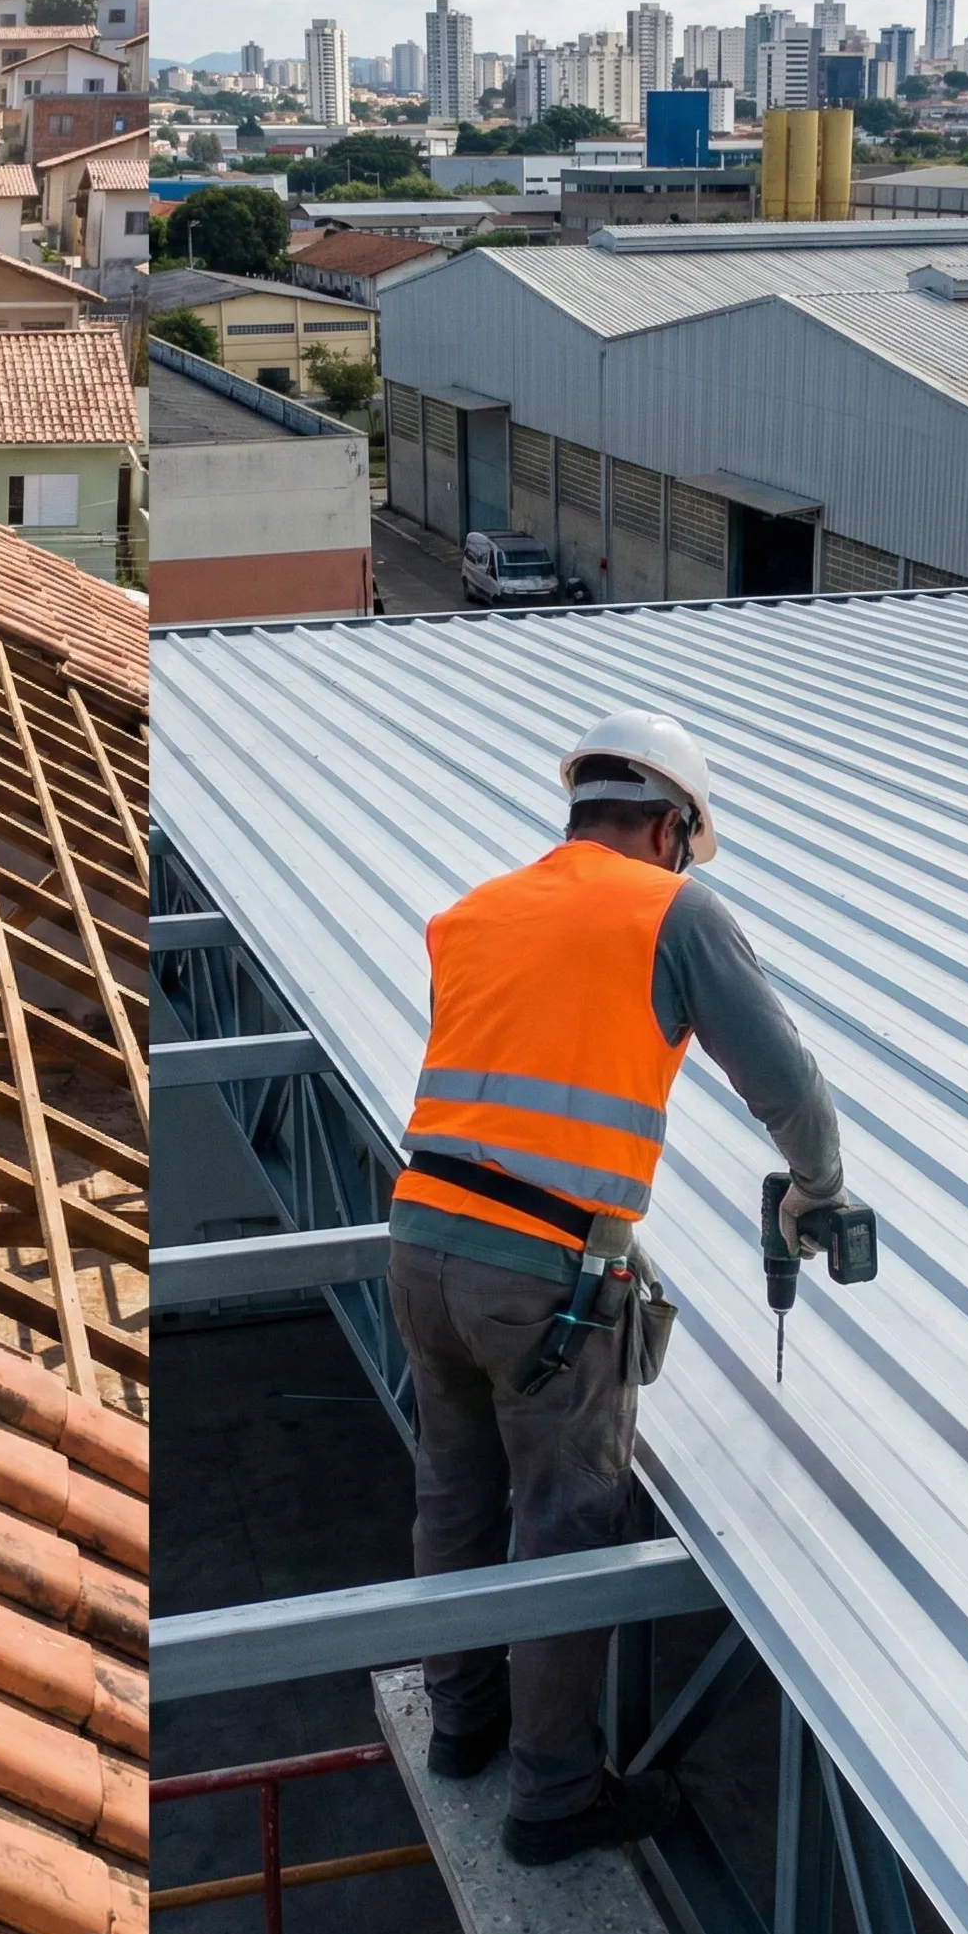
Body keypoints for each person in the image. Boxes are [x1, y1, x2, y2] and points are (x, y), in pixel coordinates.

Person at [388, 711, 849, 1865]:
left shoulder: (473, 910)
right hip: (538, 1276)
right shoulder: (672, 908)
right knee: (562, 1519)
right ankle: (551, 1794)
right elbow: (784, 1080)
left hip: (416, 1242)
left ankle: (460, 1721)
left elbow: (512, 1093)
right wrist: (815, 1187)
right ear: (666, 826)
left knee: (452, 1486)